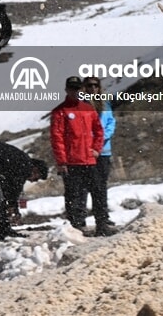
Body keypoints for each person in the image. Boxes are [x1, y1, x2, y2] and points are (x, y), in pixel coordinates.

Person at [50, 76, 115, 236]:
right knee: (74, 195)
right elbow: (57, 138)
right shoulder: (60, 112)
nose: (75, 91)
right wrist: (62, 161)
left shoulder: (88, 108)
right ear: (66, 90)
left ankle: (101, 225)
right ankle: (77, 226)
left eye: (77, 88)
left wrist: (96, 149)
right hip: (71, 162)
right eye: (72, 88)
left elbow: (99, 130)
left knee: (98, 191)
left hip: (90, 159)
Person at [87, 81, 117, 228]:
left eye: (95, 86)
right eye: (89, 86)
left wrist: (104, 135)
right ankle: (86, 217)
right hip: (90, 151)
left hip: (104, 150)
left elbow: (111, 121)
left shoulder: (105, 104)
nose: (93, 89)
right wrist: (93, 139)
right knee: (91, 185)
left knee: (102, 185)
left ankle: (103, 216)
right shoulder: (83, 105)